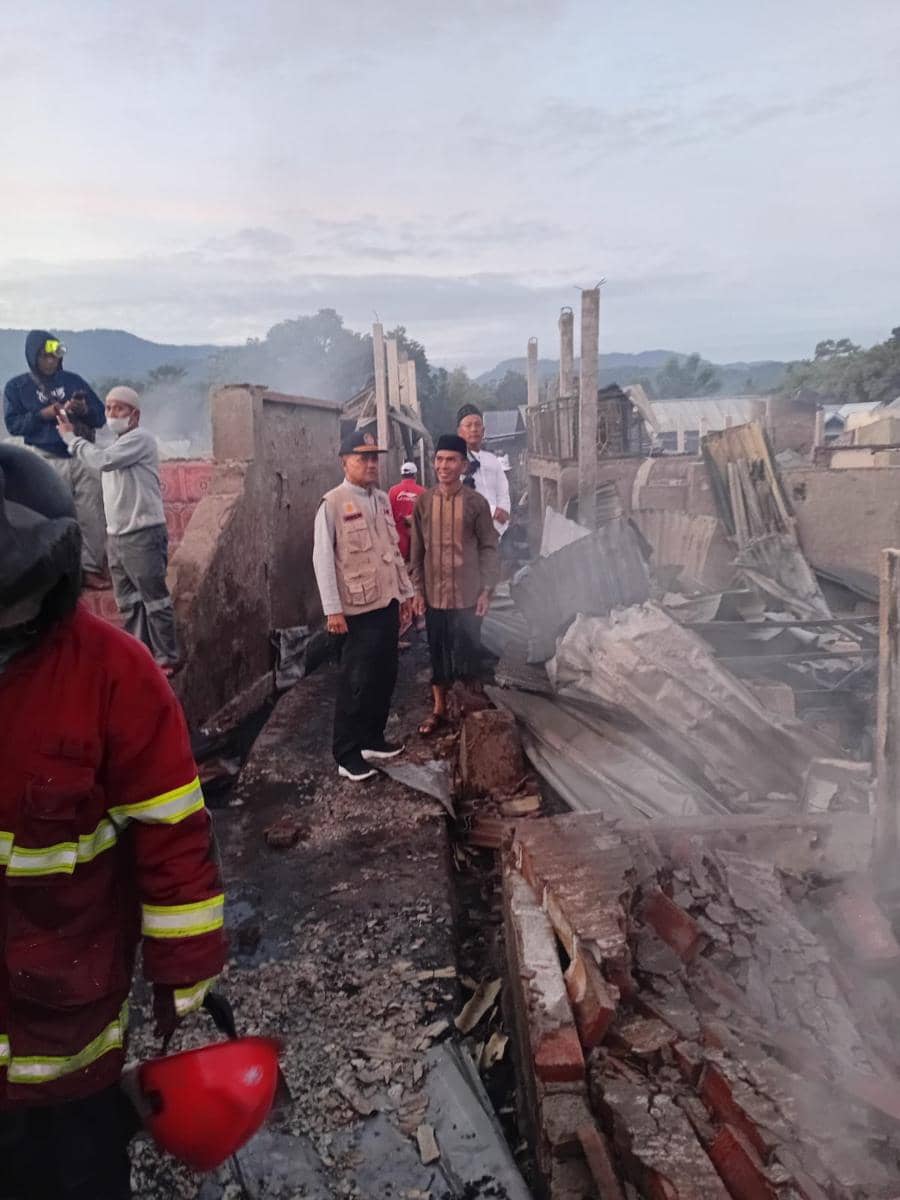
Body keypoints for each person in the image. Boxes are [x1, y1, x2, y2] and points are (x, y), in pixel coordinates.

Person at [0, 443, 227, 1200]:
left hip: (63, 1027)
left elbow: (173, 836)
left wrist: (186, 974)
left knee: (79, 1175)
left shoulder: (114, 675)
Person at [312, 429, 415, 781]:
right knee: (355, 682)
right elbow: (323, 560)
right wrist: (332, 610)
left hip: (384, 602)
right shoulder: (333, 503)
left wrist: (405, 595)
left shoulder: (382, 499)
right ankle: (347, 754)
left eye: (375, 458)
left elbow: (393, 552)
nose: (371, 464)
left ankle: (372, 738)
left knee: (384, 676)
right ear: (345, 462)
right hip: (355, 611)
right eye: (363, 458)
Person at [57, 385, 181, 675]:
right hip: (117, 535)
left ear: (134, 415)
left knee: (155, 600)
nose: (112, 413)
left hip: (143, 533)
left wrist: (71, 439)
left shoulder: (140, 439)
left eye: (119, 408)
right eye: (109, 408)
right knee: (129, 602)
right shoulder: (116, 443)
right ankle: (143, 655)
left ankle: (168, 658)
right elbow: (99, 461)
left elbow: (102, 462)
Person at [3, 330, 108, 588]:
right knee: (49, 517)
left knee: (91, 514)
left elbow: (101, 417)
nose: (50, 361)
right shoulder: (17, 387)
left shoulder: (74, 382)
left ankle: (90, 569)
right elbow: (14, 425)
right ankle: (54, 578)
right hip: (46, 460)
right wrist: (44, 414)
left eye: (54, 356)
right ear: (33, 357)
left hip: (81, 456)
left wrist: (84, 410)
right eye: (45, 357)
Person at [409, 435, 499, 735]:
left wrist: (486, 589)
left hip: (469, 595)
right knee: (437, 651)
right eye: (439, 459)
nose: (443, 466)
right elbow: (417, 551)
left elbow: (488, 547)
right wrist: (417, 591)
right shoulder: (423, 502)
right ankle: (438, 709)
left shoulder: (476, 504)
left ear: (463, 465)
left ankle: (467, 708)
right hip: (435, 595)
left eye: (450, 460)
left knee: (468, 650)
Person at [456, 403, 511, 538]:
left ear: (483, 430)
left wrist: (501, 521)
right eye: (468, 426)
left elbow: (503, 493)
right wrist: (493, 512)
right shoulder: (454, 462)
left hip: (494, 536)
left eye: (477, 425)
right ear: (459, 432)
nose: (474, 429)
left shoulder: (492, 461)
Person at [388, 460, 425, 561]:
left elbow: (387, 513)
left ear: (402, 475)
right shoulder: (422, 491)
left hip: (398, 538)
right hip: (417, 538)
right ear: (415, 475)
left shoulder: (393, 491)